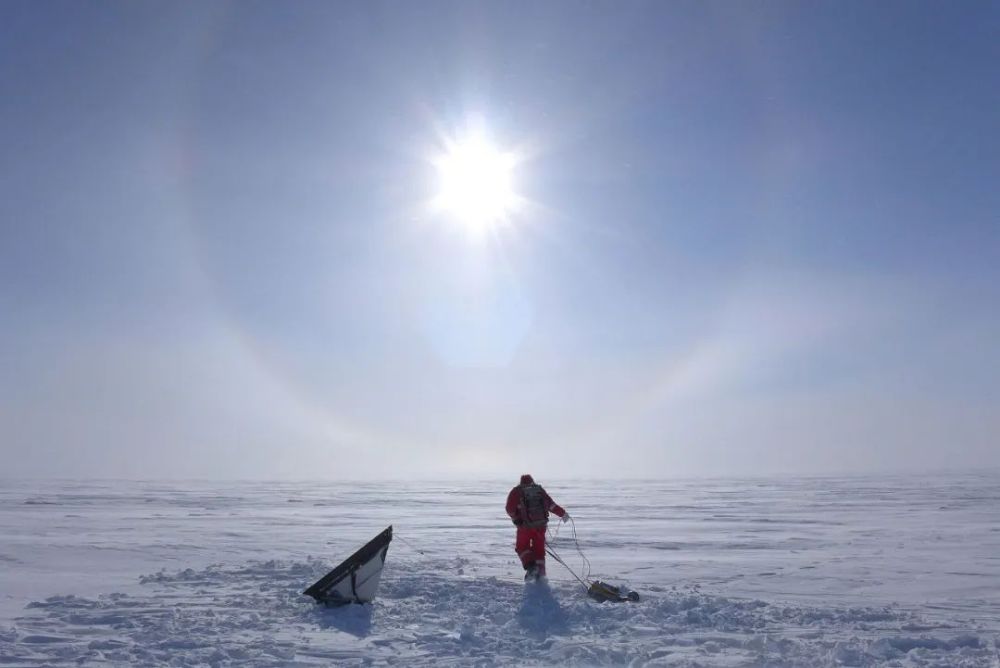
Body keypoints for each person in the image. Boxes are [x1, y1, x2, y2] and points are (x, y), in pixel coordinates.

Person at [505, 474, 569, 581]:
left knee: (522, 547)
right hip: (540, 526)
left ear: (521, 482)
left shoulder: (516, 491)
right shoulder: (539, 491)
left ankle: (531, 567)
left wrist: (516, 518)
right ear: (532, 481)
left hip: (524, 527)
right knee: (539, 551)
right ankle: (541, 575)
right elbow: (551, 505)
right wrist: (563, 514)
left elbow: (509, 508)